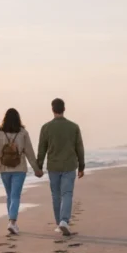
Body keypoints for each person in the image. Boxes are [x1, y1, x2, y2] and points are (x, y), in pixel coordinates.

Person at [36, 97, 85, 236]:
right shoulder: (73, 127)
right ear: (64, 109)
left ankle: (59, 223)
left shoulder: (46, 128)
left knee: (56, 196)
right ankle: (64, 221)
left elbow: (41, 150)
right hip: (69, 165)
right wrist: (81, 166)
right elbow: (79, 148)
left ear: (52, 109)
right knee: (67, 193)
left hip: (53, 166)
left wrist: (38, 166)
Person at [0, 107, 40, 235]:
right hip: (19, 169)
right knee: (15, 196)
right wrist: (36, 169)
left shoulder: (0, 133)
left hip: (4, 169)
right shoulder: (23, 133)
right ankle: (12, 222)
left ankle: (12, 222)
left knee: (10, 196)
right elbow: (29, 152)